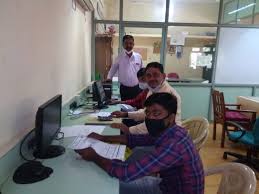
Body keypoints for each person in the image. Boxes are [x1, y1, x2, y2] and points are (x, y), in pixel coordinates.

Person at [75, 93, 204, 194]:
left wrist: (94, 156)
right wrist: (104, 138)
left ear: (171, 117)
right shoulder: (171, 131)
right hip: (167, 185)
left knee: (110, 183)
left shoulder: (174, 145)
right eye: (148, 112)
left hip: (168, 191)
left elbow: (125, 173)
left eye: (156, 113)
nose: (150, 118)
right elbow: (136, 140)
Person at [111, 62, 181, 134]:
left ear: (163, 76)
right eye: (148, 75)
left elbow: (154, 124)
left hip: (166, 136)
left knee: (119, 137)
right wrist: (125, 114)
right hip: (156, 132)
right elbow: (146, 112)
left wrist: (129, 130)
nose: (152, 78)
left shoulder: (167, 94)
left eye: (155, 75)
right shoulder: (153, 90)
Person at [107, 35, 143, 101]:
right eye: (126, 43)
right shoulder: (119, 57)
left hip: (136, 88)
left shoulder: (139, 57)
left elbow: (142, 71)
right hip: (124, 89)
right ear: (123, 44)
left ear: (133, 44)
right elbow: (113, 69)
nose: (128, 45)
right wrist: (109, 78)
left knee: (136, 107)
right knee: (124, 107)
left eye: (131, 43)